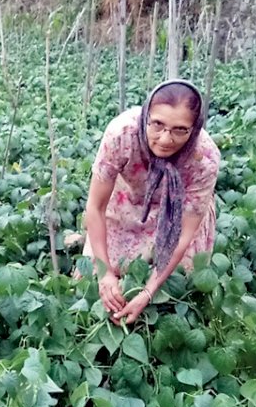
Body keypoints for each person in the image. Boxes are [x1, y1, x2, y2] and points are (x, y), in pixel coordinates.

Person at [81, 79, 220, 325]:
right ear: (146, 116)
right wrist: (105, 273)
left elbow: (184, 234)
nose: (166, 139)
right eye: (157, 124)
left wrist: (147, 292)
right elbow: (95, 206)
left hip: (179, 212)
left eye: (180, 130)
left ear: (194, 128)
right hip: (127, 204)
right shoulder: (121, 134)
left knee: (180, 286)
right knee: (91, 280)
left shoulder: (204, 158)